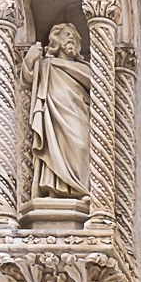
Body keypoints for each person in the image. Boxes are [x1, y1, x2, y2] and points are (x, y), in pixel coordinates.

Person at [20, 23, 92, 200]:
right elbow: (27, 80)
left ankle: (81, 188)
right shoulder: (46, 65)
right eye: (67, 34)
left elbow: (100, 88)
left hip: (78, 114)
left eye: (74, 37)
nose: (71, 39)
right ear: (56, 40)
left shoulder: (85, 69)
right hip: (53, 115)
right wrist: (30, 60)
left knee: (81, 146)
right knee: (53, 147)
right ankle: (54, 189)